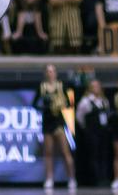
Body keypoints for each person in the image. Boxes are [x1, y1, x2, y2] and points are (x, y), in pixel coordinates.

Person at [35, 63, 76, 192]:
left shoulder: (61, 85)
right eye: (48, 71)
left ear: (56, 73)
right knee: (48, 153)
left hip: (59, 122)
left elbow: (69, 102)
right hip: (47, 122)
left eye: (52, 71)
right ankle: (49, 179)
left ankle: (72, 178)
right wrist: (45, 107)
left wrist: (61, 104)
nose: (50, 73)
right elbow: (34, 104)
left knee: (65, 152)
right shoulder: (42, 87)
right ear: (45, 73)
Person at [76, 79, 111, 188]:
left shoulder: (103, 100)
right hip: (92, 132)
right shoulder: (85, 101)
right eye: (93, 86)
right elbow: (79, 117)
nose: (96, 88)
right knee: (94, 155)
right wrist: (86, 128)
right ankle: (96, 179)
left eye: (97, 86)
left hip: (103, 132)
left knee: (103, 155)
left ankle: (104, 177)